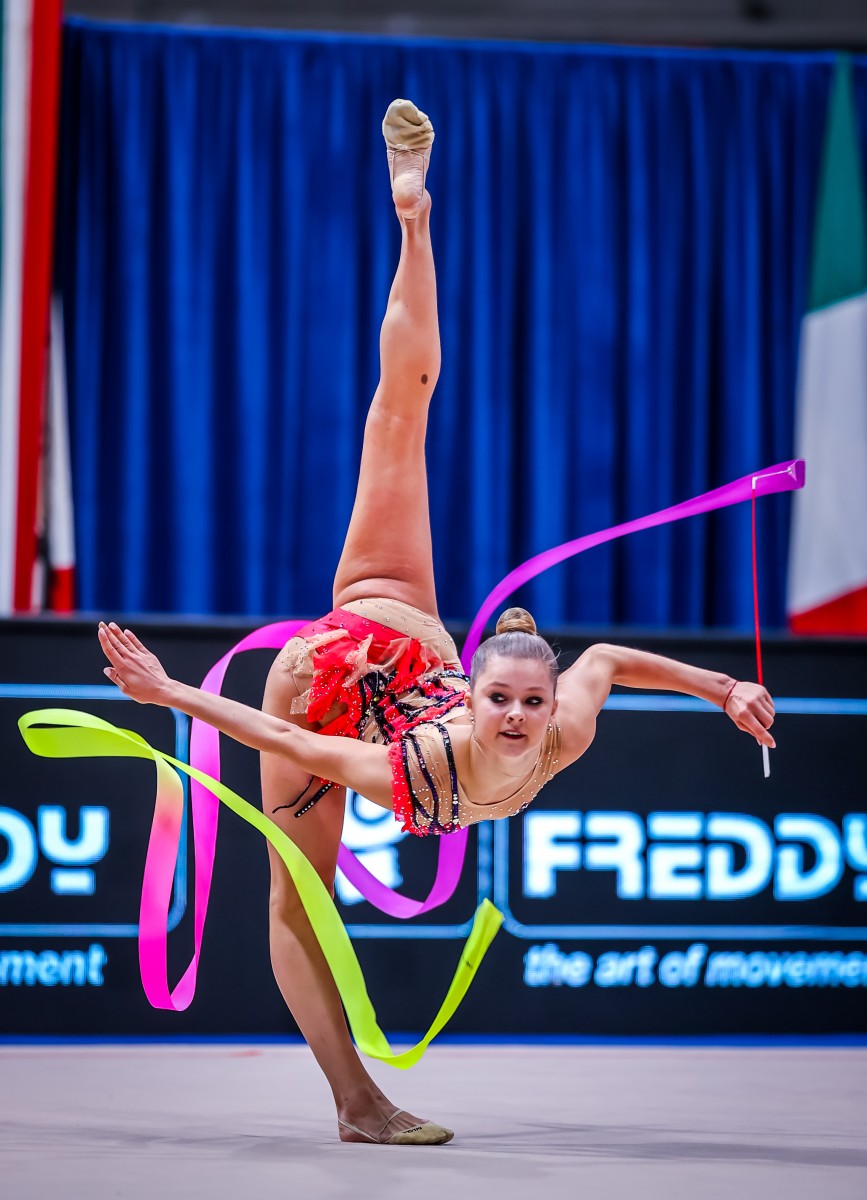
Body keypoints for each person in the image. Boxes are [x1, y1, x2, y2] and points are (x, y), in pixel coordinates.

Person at [98, 99, 776, 1146]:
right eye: (501, 700)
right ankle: (358, 1104)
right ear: (472, 697)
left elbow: (606, 658)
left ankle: (412, 217)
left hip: (405, 629)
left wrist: (725, 689)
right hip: (327, 674)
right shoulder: (411, 769)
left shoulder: (564, 726)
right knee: (294, 902)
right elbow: (278, 733)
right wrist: (167, 694)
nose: (516, 718)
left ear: (540, 703)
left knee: (400, 411)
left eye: (528, 703)